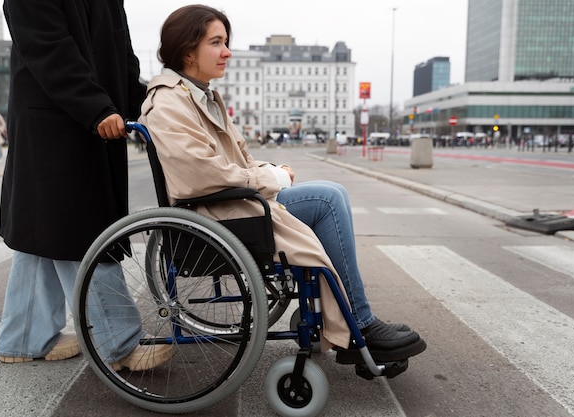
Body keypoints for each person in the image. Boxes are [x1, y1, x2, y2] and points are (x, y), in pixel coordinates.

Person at [139, 4, 426, 363]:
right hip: (214, 215)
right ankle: (360, 323)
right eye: (217, 43)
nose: (227, 51)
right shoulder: (169, 102)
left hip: (230, 203)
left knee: (333, 192)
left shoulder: (201, 95)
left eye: (226, 41)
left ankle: (348, 317)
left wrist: (270, 168)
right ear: (187, 50)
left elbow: (236, 160)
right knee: (326, 201)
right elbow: (200, 174)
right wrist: (268, 178)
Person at [0, 0, 173, 370]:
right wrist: (97, 107)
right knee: (84, 231)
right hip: (55, 125)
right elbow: (49, 50)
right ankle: (118, 343)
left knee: (42, 230)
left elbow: (123, 59)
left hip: (88, 118)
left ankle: (24, 337)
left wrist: (153, 105)